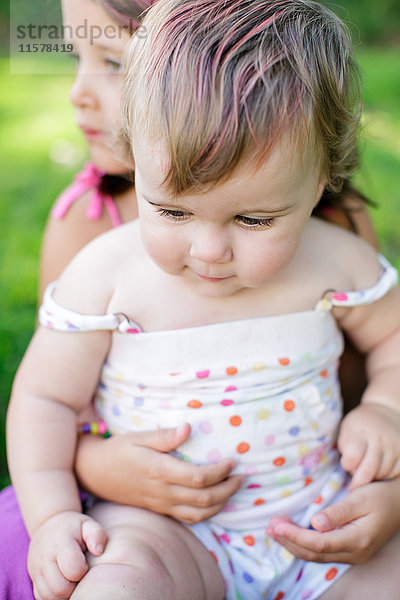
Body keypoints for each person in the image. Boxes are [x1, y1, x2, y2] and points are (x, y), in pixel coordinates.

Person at [6, 1, 400, 599]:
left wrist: (387, 410)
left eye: (253, 218)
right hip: (165, 530)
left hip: (320, 514)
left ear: (319, 180)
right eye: (172, 211)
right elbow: (45, 399)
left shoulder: (334, 257)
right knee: (121, 582)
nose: (209, 249)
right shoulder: (106, 274)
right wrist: (54, 516)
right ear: (136, 159)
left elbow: (394, 337)